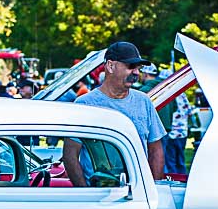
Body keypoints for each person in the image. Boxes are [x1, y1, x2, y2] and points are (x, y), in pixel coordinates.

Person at [63, 41, 166, 186]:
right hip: (98, 196)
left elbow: (155, 149)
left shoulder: (144, 102)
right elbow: (70, 155)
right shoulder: (85, 104)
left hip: (137, 197)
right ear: (110, 66)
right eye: (131, 67)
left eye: (138, 68)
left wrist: (154, 188)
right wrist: (85, 192)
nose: (136, 72)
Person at [164, 94, 195, 174]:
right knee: (180, 160)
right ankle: (181, 178)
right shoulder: (182, 95)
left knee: (171, 161)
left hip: (172, 132)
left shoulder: (167, 95)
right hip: (182, 133)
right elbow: (190, 112)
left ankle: (173, 180)